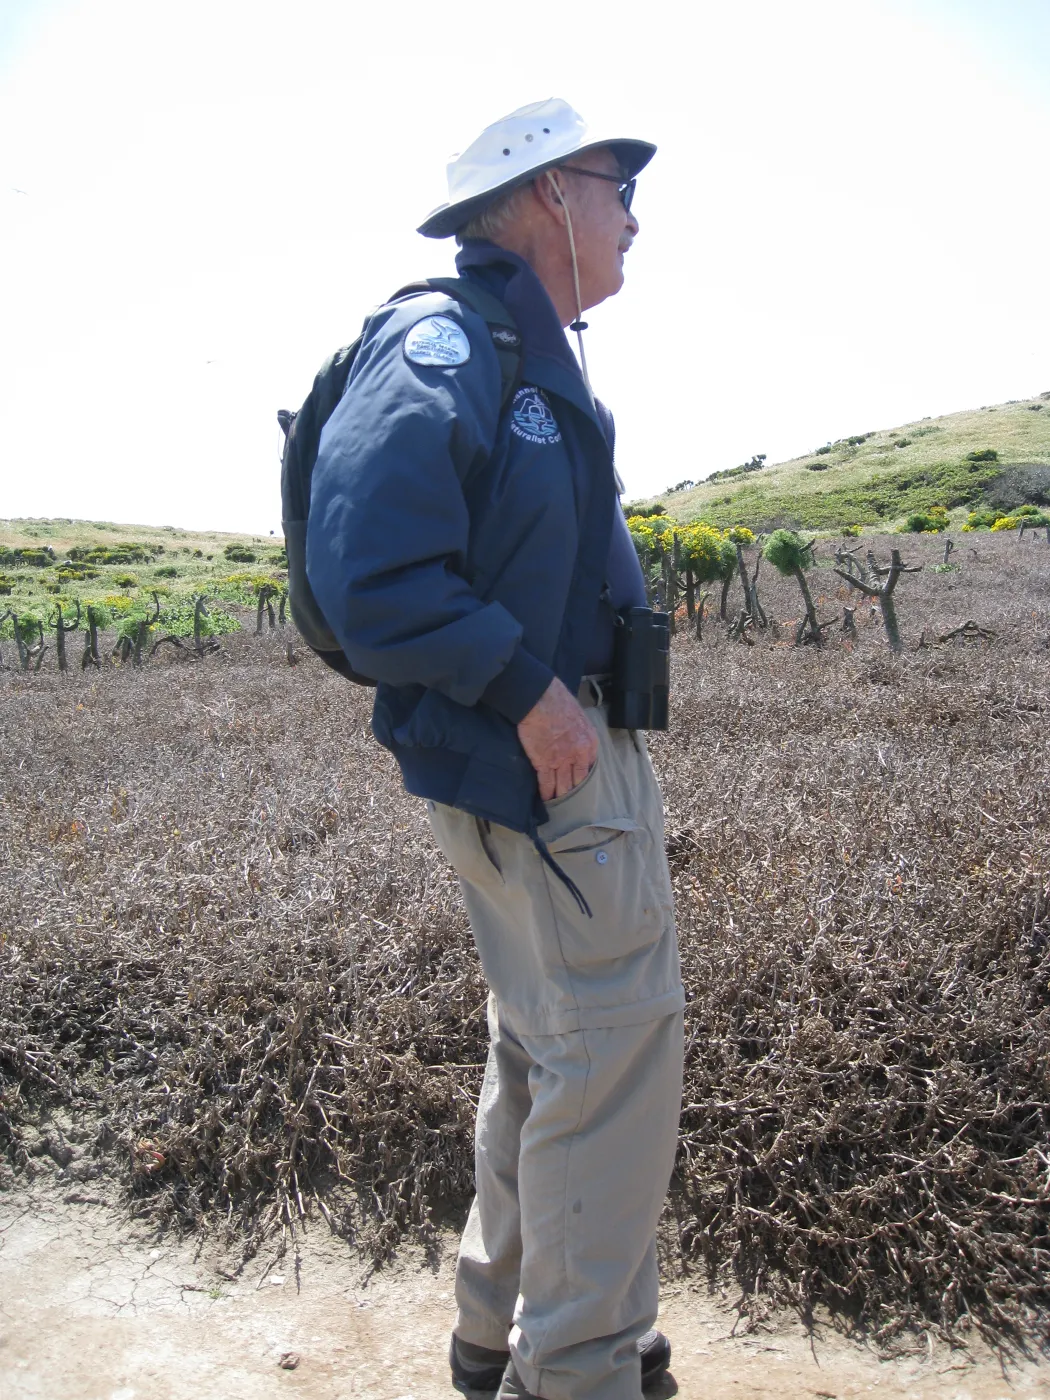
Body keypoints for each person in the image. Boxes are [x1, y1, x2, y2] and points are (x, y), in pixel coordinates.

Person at [307, 98, 684, 1400]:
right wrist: (531, 693)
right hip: (541, 768)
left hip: (545, 764)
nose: (633, 210)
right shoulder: (446, 341)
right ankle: (577, 1369)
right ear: (540, 199)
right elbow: (370, 572)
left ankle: (507, 1337)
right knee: (611, 1050)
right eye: (612, 183)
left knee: (545, 1045)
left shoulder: (523, 351)